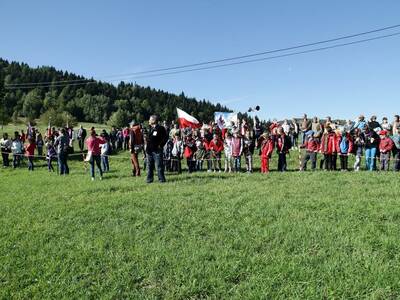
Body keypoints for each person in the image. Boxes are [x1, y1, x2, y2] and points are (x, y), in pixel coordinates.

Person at [145, 115, 167, 183]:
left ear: (154, 120)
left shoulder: (160, 128)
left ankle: (161, 180)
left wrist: (161, 145)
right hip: (149, 151)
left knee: (159, 166)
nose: (149, 121)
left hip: (157, 151)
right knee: (149, 166)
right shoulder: (150, 128)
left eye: (150, 119)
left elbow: (165, 138)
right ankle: (149, 180)